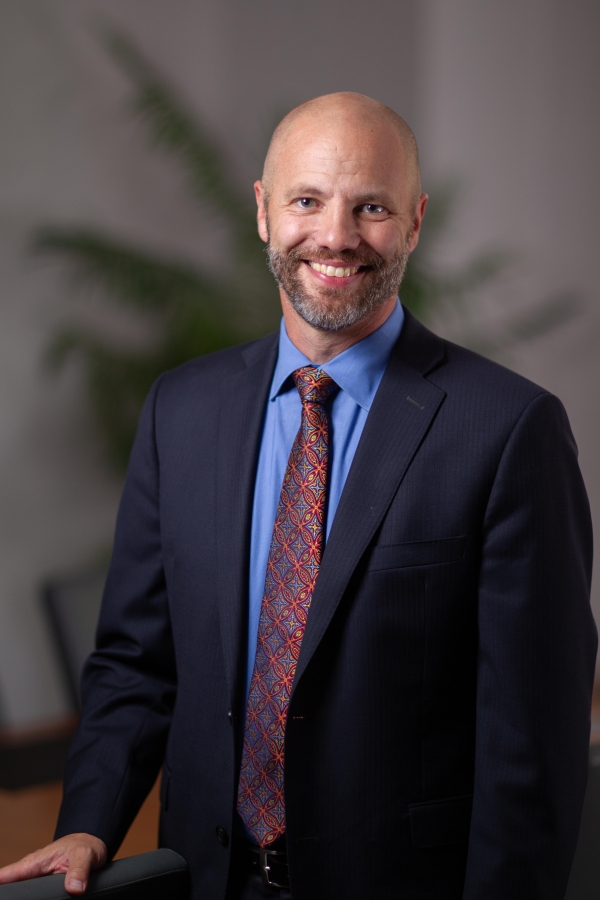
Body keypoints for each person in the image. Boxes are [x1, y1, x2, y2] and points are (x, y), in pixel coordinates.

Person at [0, 92, 595, 900]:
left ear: (415, 222)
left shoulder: (509, 429)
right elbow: (137, 661)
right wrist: (89, 821)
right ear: (263, 211)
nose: (336, 235)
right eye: (308, 200)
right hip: (207, 879)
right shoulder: (182, 409)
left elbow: (533, 743)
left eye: (372, 206)